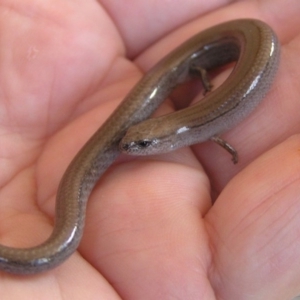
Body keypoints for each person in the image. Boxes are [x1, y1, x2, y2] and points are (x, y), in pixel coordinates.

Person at [0, 0, 299, 299]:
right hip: (199, 59)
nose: (128, 146)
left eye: (142, 145)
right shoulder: (184, 126)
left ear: (166, 141)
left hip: (238, 47)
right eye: (137, 142)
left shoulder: (195, 127)